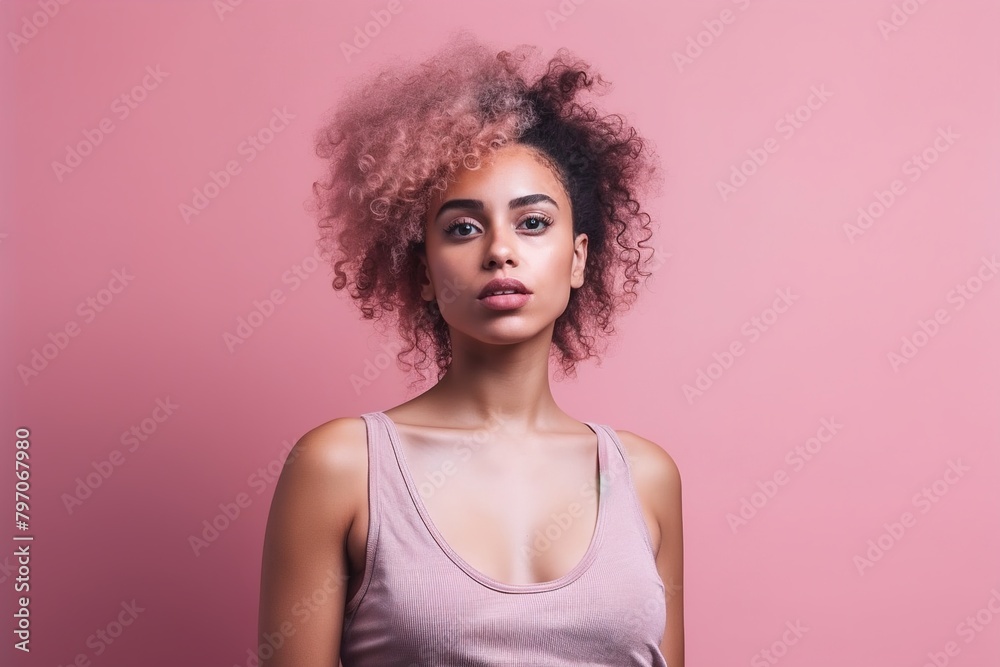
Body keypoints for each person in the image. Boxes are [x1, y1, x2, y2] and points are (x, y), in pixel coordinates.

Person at [257, 30, 684, 666]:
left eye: (533, 223)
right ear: (423, 271)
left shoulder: (645, 477)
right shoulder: (340, 467)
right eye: (462, 227)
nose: (500, 250)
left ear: (578, 258)